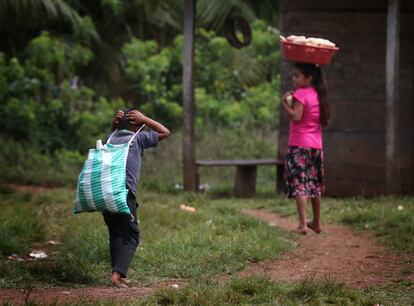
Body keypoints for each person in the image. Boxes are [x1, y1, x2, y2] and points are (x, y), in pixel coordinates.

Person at [104, 108, 170, 287]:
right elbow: (165, 132)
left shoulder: (110, 139)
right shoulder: (138, 138)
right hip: (124, 194)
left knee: (116, 233)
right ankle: (117, 276)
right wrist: (146, 118)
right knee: (132, 235)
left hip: (105, 193)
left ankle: (117, 275)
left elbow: (112, 133)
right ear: (137, 127)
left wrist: (114, 124)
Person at [281, 62, 332, 235]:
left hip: (299, 145)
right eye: (293, 76)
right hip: (316, 146)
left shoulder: (301, 93)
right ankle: (316, 223)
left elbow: (296, 117)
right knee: (314, 184)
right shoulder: (319, 95)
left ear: (308, 78)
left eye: (297, 76)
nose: (294, 79)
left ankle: (303, 225)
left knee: (300, 183)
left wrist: (284, 104)